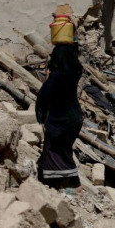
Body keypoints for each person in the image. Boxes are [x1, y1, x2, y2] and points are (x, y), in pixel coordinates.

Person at [35, 44, 83, 191]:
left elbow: (45, 95)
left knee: (55, 151)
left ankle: (68, 185)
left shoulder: (57, 77)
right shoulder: (73, 73)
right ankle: (66, 183)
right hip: (74, 119)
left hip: (60, 121)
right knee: (65, 150)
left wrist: (48, 79)